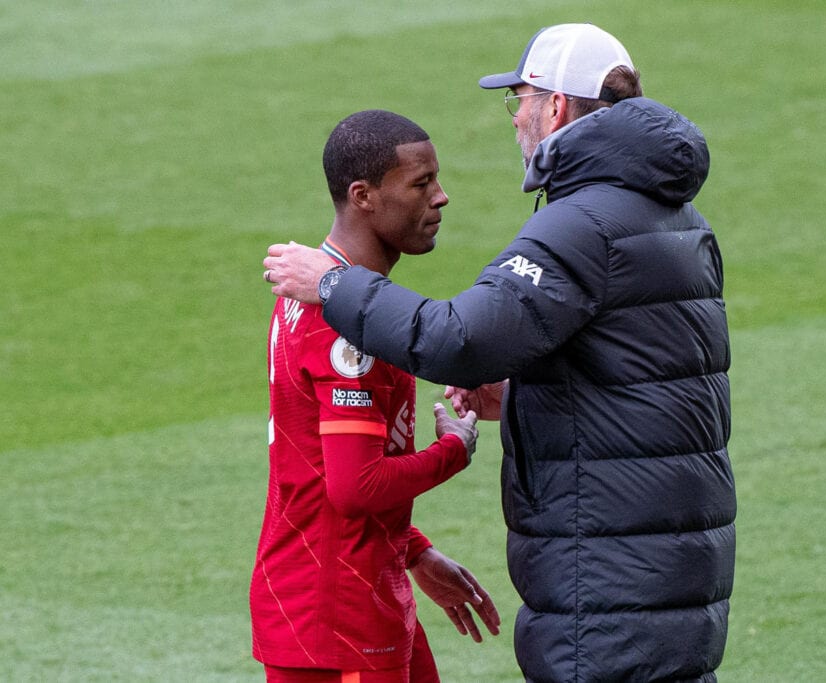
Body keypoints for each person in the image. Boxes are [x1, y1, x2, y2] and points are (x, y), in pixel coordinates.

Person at [263, 23, 735, 682]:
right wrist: (522, 396)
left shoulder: (583, 223)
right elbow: (643, 386)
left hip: (611, 584)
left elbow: (461, 339)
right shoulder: (678, 220)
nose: (515, 116)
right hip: (668, 569)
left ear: (557, 108)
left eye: (521, 97)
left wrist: (335, 285)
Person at [250, 109, 500, 683]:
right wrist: (454, 450)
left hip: (350, 599)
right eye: (421, 184)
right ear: (363, 195)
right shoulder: (345, 324)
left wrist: (413, 551)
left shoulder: (318, 291)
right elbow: (355, 486)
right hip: (339, 621)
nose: (441, 198)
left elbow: (317, 468)